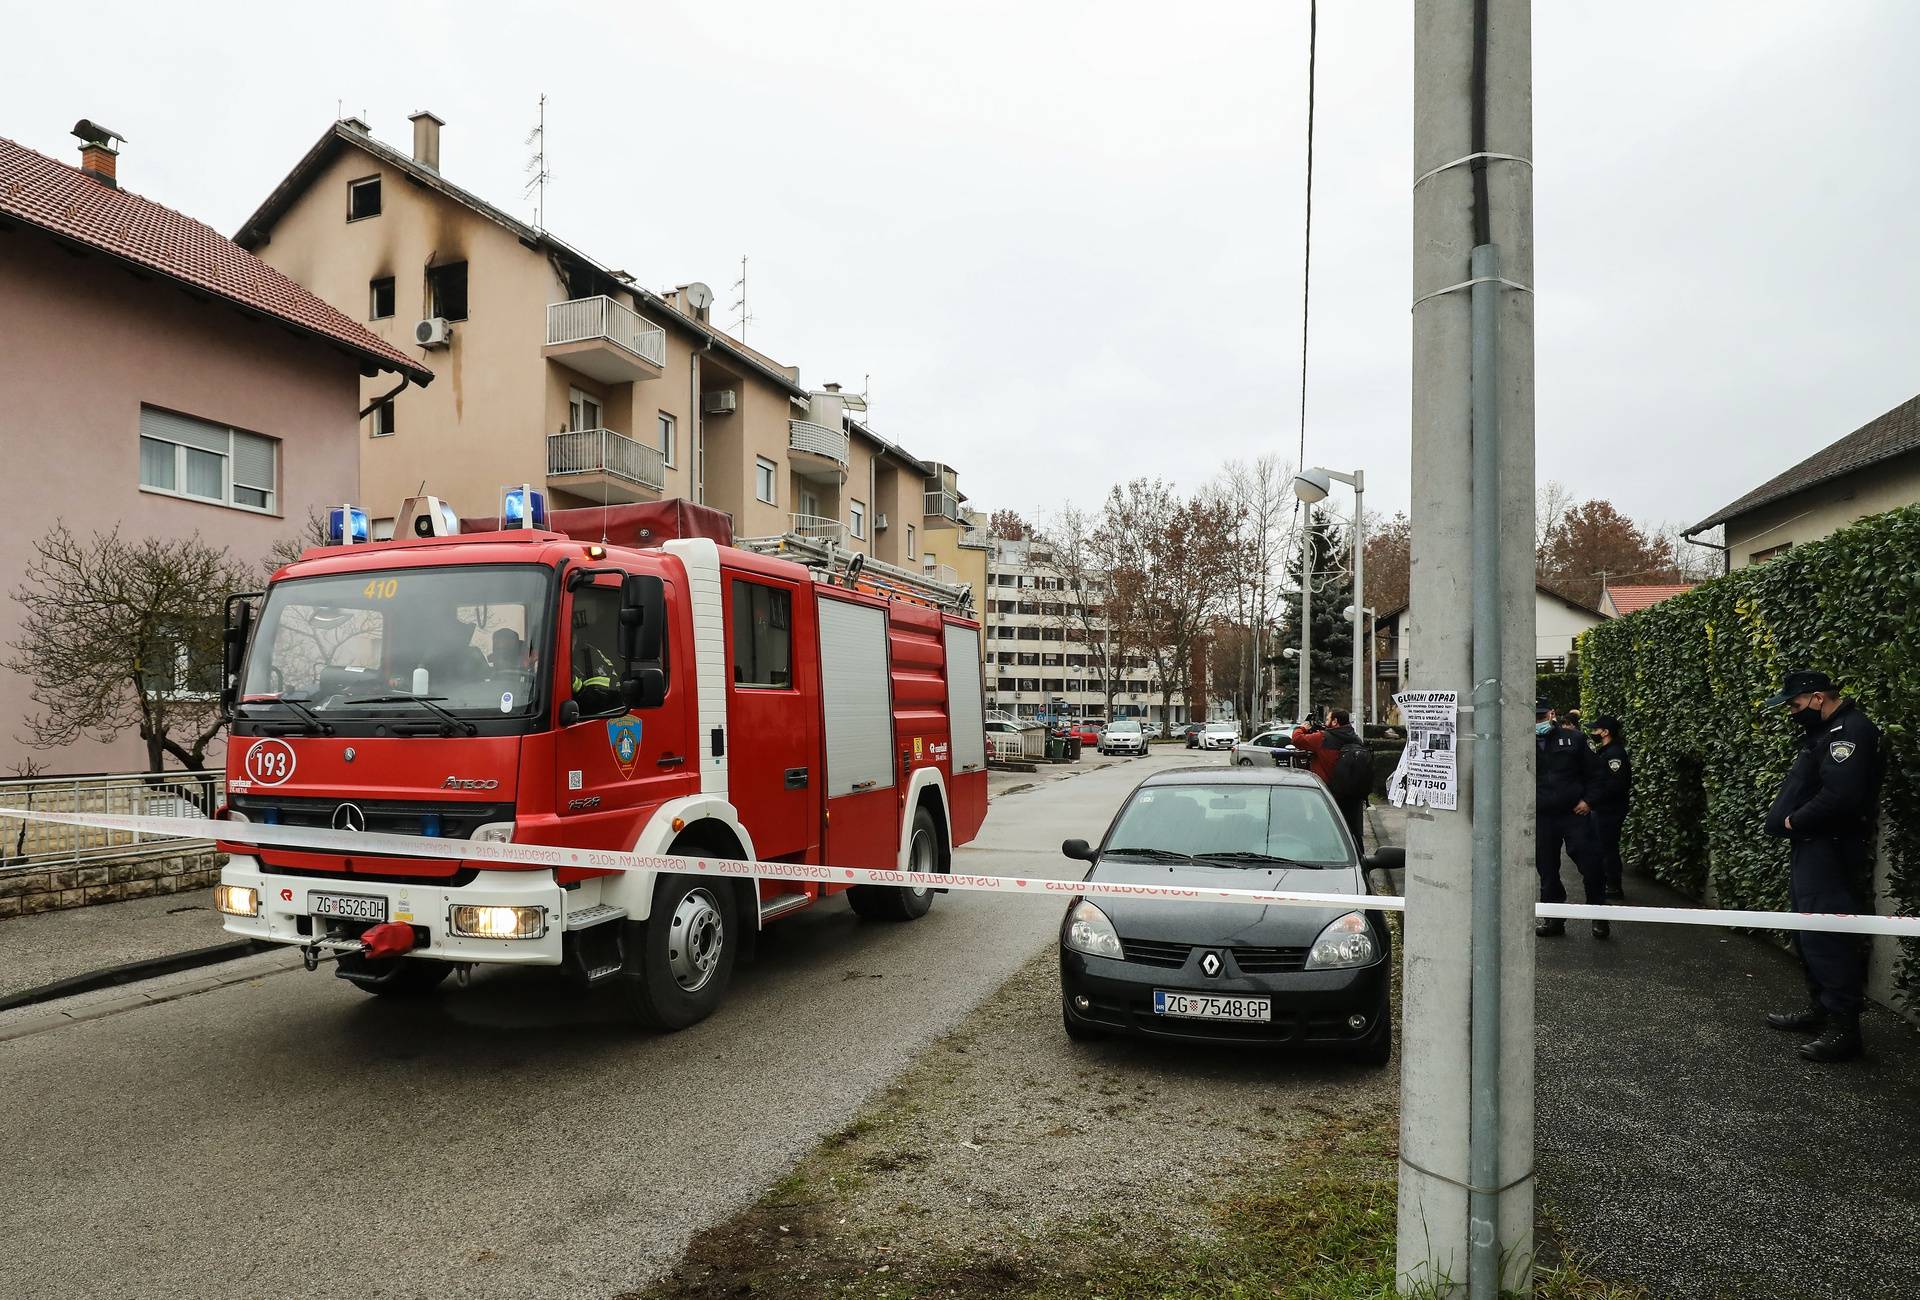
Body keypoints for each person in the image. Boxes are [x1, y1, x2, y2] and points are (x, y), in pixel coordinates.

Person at [1761, 669, 1881, 1063]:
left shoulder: (1849, 732)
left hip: (1828, 848)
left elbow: (1842, 795)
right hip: (1813, 847)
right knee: (1807, 932)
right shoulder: (1825, 732)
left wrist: (1796, 821)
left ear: (1816, 698)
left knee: (1826, 935)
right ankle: (1822, 1010)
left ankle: (1844, 1029)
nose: (1792, 713)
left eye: (1795, 705)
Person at [1536, 699, 1608, 938]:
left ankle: (1599, 917)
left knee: (1591, 865)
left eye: (1541, 716)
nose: (1537, 722)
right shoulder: (1519, 741)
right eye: (1533, 717)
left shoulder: (1574, 739)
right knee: (1547, 871)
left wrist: (1589, 801)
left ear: (1551, 714)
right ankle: (1553, 920)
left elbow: (1597, 774)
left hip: (1574, 814)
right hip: (1543, 816)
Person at [1292, 709, 1369, 849]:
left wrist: (1302, 727)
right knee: (1352, 832)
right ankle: (1359, 859)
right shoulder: (1355, 738)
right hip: (1352, 795)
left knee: (1326, 830)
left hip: (1328, 793)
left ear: (1335, 721)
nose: (1326, 722)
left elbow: (1297, 739)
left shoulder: (1323, 737)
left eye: (1328, 719)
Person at [1587, 715, 1632, 900]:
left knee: (1608, 847)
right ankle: (1609, 882)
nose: (1593, 733)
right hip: (1606, 808)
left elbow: (1614, 785)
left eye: (1596, 730)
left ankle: (1613, 885)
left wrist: (1594, 799)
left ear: (1606, 732)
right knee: (1604, 846)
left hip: (1610, 810)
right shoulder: (1607, 751)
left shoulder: (1614, 754)